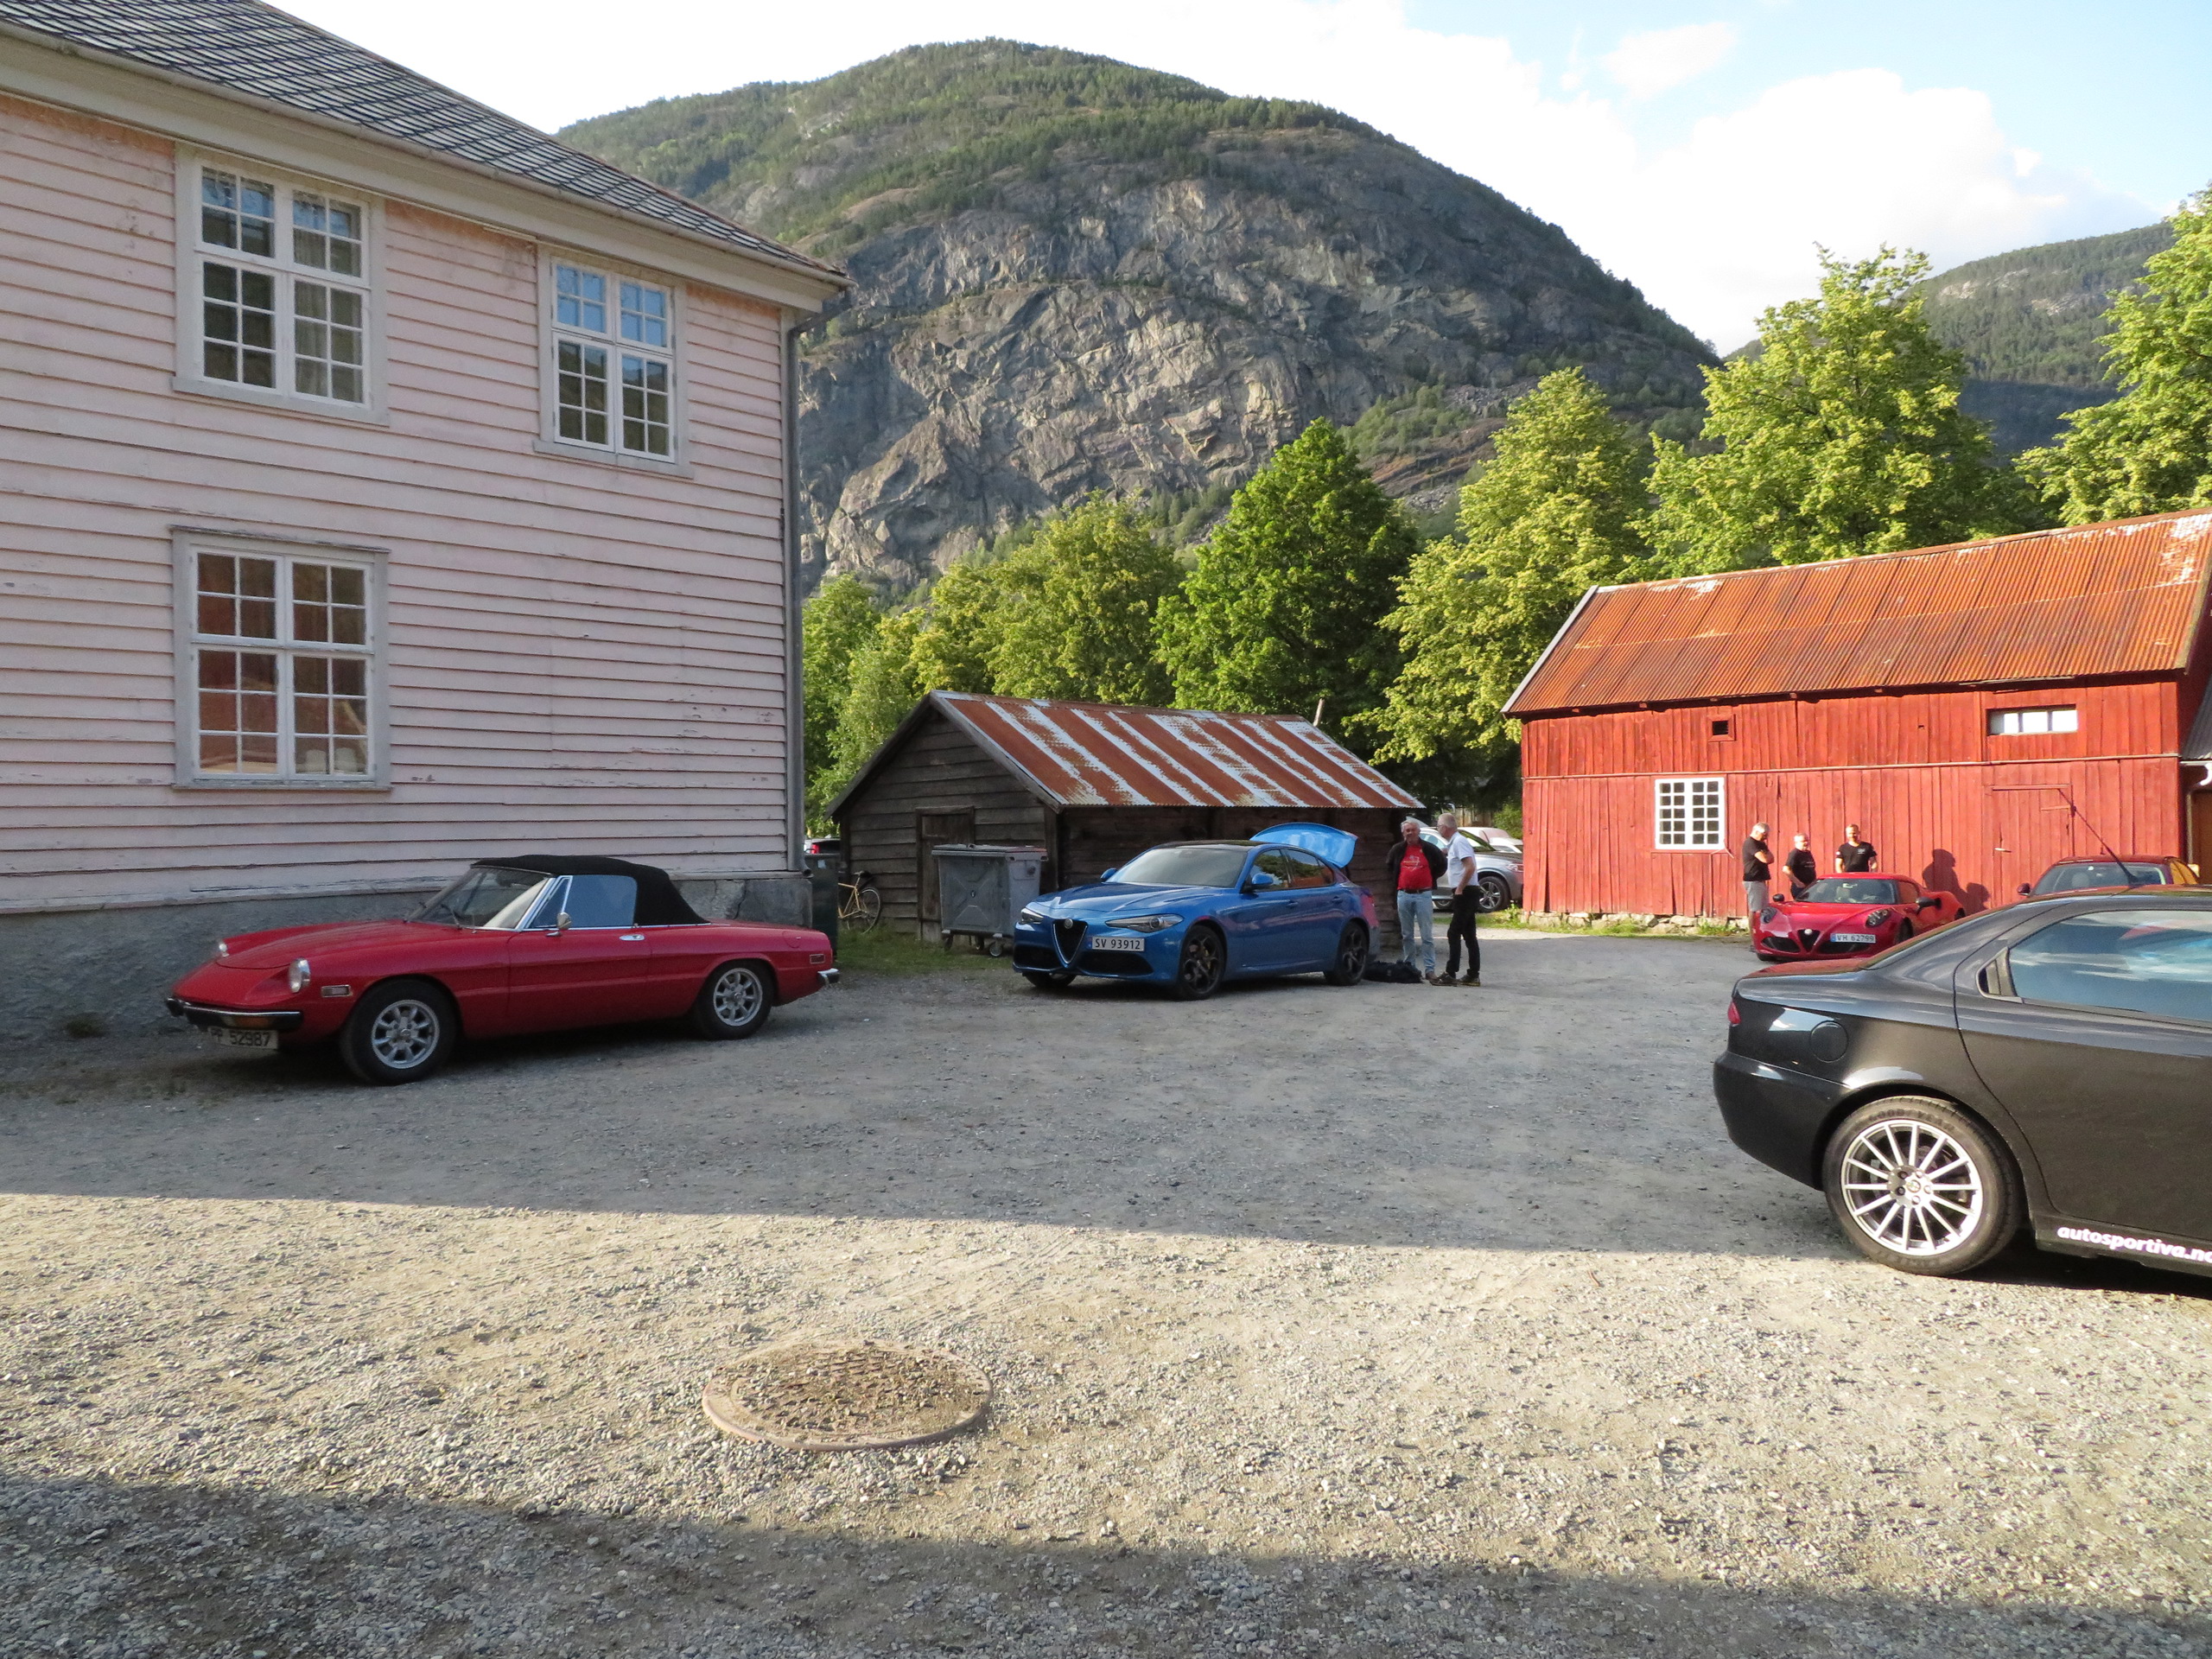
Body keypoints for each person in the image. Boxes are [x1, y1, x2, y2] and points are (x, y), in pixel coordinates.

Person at [1393, 817, 1446, 982]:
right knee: (1407, 934)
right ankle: (1410, 968)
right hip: (1404, 895)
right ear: (1403, 833)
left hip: (1423, 894)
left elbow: (1442, 864)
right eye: (1407, 831)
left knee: (1427, 935)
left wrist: (1430, 878)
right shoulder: (1398, 849)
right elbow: (1390, 866)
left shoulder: (1429, 849)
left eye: (1413, 830)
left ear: (1419, 831)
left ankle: (1430, 970)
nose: (1410, 833)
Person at [1438, 811, 1482, 987]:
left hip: (1465, 892)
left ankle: (1451, 973)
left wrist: (1460, 889)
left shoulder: (1459, 841)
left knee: (1453, 932)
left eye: (1439, 826)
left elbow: (1470, 867)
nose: (1438, 829)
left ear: (1445, 827)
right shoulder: (1454, 843)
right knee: (1469, 934)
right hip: (1466, 892)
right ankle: (1473, 974)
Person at [1741, 821, 1773, 920]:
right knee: (1755, 909)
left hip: (1761, 879)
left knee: (1764, 908)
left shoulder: (1761, 844)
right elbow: (1765, 859)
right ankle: (1752, 929)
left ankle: (1761, 928)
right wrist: (1766, 856)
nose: (1766, 837)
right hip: (1753, 880)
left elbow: (1771, 859)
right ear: (1756, 832)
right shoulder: (1750, 843)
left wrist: (1766, 856)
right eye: (1764, 834)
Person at [1785, 834, 1818, 899]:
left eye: (1807, 840)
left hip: (1810, 886)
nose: (1806, 843)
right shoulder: (1795, 853)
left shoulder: (1807, 853)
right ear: (1796, 842)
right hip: (1800, 888)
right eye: (1803, 841)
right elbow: (1786, 869)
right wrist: (1798, 883)